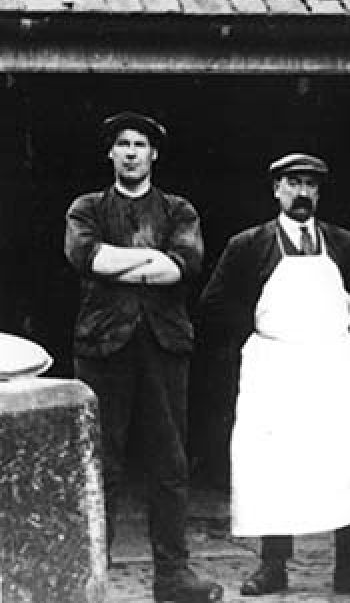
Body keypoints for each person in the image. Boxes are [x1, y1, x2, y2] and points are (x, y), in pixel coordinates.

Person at [198, 153, 350, 597]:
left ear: (320, 192)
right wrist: (265, 331)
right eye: (293, 183)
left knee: (348, 457)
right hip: (276, 366)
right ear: (276, 189)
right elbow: (213, 303)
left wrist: (329, 335)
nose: (302, 192)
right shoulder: (249, 244)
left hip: (334, 364)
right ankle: (273, 566)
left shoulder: (344, 243)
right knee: (274, 464)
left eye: (311, 185)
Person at [64, 112, 222, 603]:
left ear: (154, 154)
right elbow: (86, 257)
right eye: (122, 144)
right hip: (102, 348)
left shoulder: (179, 211)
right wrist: (148, 260)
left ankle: (172, 577)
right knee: (99, 464)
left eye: (140, 144)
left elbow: (183, 267)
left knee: (170, 463)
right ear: (110, 154)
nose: (131, 152)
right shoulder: (86, 207)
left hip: (163, 346)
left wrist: (117, 264)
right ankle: (91, 574)